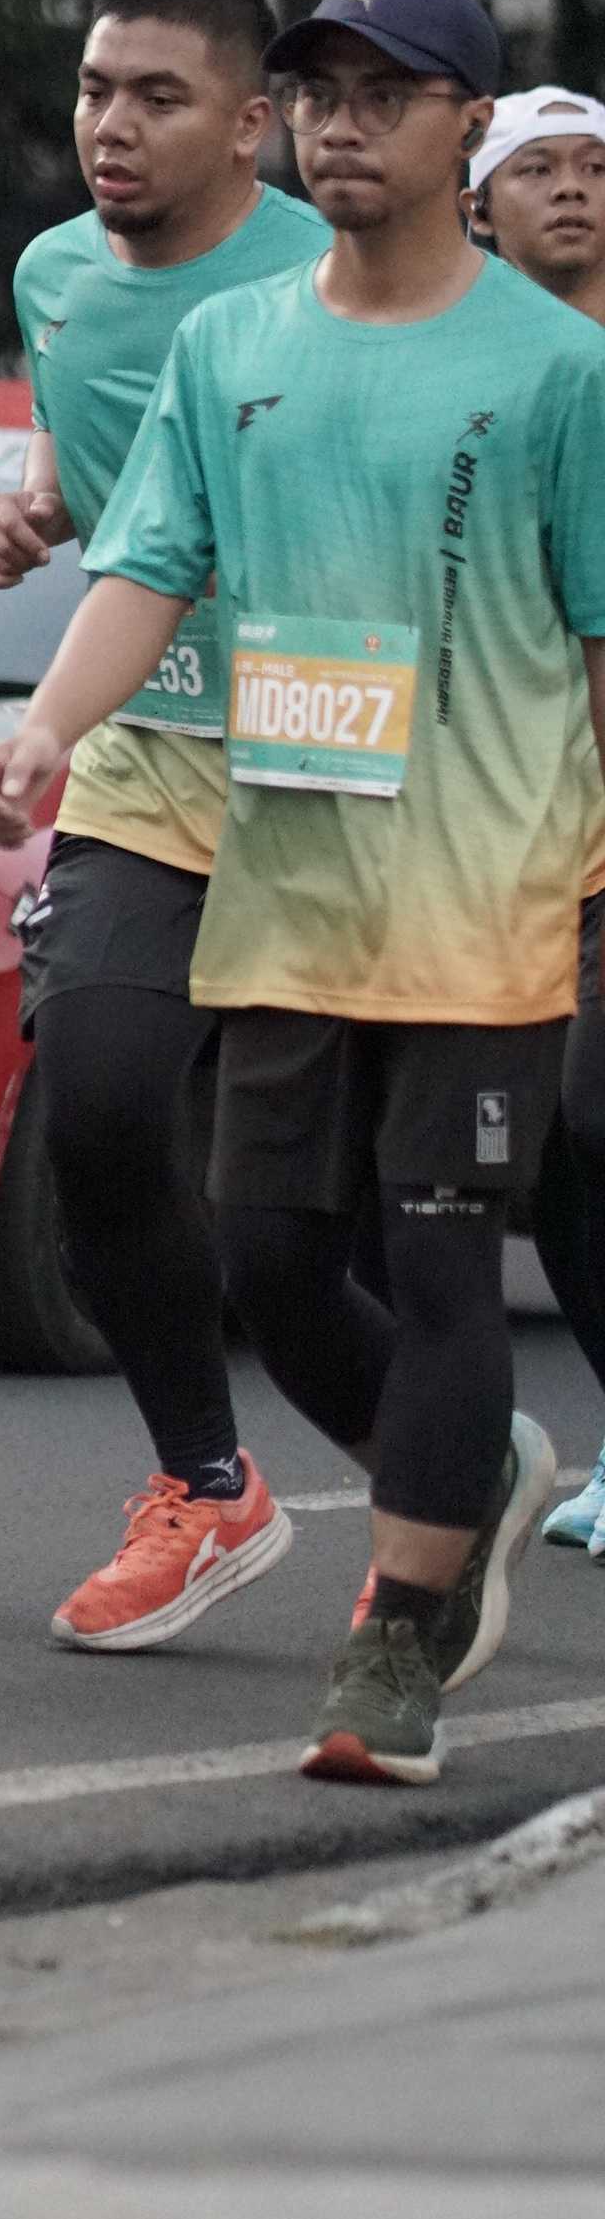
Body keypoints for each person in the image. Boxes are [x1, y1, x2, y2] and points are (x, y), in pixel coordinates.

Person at [0, 0, 605, 1786]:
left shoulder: (563, 371)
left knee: (443, 1252)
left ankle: (395, 1644)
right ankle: (454, 1483)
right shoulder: (228, 351)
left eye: (384, 96)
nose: (341, 125)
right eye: (321, 93)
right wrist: (45, 729)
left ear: (467, 130)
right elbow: (147, 564)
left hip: (480, 893)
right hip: (286, 880)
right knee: (272, 1253)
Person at [0, 0, 325, 1652]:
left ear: (252, 125)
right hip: (140, 757)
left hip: (337, 771)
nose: (110, 125)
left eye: (158, 97)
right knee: (101, 1108)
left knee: (313, 1225)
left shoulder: (330, 277)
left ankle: (446, 1473)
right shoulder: (53, 274)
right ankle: (204, 1483)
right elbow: (89, 464)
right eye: (96, 88)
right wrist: (31, 509)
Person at [460, 89, 605, 1550]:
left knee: (593, 1107)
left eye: (597, 168)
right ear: (477, 205)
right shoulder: (462, 370)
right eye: (538, 168)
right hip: (497, 827)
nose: (572, 190)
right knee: (553, 1152)